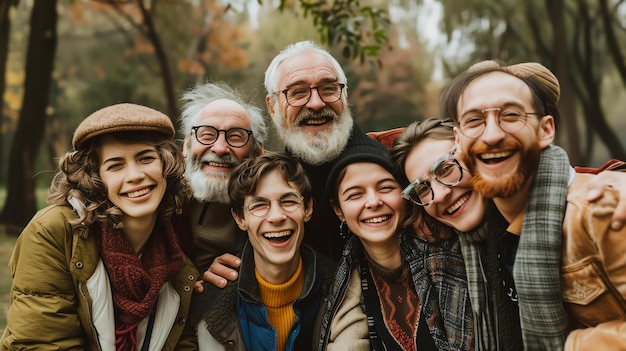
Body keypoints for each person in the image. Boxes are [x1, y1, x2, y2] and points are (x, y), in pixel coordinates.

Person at [431, 60, 626, 349]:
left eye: (511, 115)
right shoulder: (490, 230)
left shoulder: (602, 210)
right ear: (457, 141)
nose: (493, 134)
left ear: (546, 129)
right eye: (474, 120)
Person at [0, 103, 199, 351]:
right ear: (95, 178)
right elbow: (41, 344)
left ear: (165, 165)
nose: (135, 175)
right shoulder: (53, 231)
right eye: (115, 165)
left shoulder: (177, 238)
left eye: (145, 158)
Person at [204, 40, 391, 287]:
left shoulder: (387, 166)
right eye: (298, 92)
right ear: (272, 106)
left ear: (344, 95)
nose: (315, 103)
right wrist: (213, 267)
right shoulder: (272, 178)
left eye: (328, 88)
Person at [319, 138, 473, 350]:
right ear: (338, 210)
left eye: (385, 188)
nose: (373, 202)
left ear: (405, 194)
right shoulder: (348, 281)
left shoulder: (448, 251)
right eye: (355, 194)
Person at [189, 152, 335, 351]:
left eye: (289, 201)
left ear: (307, 208)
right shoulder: (209, 306)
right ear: (240, 218)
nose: (276, 216)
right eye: (259, 205)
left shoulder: (340, 290)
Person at [177, 82, 267, 273]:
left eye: (236, 137)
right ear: (186, 146)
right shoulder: (161, 204)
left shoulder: (274, 205)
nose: (219, 148)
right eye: (207, 135)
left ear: (258, 152)